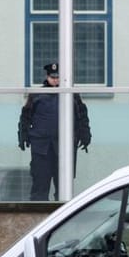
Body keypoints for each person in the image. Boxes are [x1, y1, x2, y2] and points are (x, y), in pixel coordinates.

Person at [17, 62, 92, 201]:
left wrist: (85, 134)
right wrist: (23, 136)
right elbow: (26, 117)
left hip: (64, 148)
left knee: (64, 191)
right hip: (41, 148)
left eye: (58, 77)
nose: (56, 80)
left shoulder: (71, 94)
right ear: (47, 77)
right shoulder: (37, 94)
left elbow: (82, 116)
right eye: (53, 77)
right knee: (39, 189)